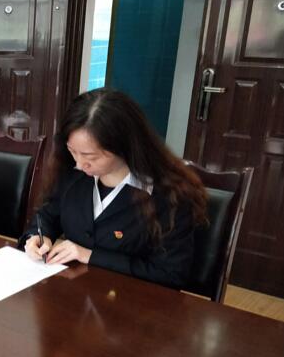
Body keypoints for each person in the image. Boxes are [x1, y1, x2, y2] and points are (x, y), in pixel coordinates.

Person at [20, 88, 207, 289]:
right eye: (72, 151)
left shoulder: (169, 196)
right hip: (75, 294)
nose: (80, 164)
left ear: (124, 147)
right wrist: (38, 237)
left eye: (91, 157)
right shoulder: (72, 174)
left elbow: (170, 275)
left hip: (133, 302)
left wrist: (89, 255)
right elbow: (47, 215)